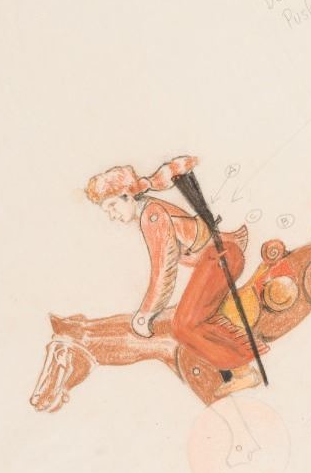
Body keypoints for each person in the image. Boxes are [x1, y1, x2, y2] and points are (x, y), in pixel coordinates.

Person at [85, 156, 262, 393]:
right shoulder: (150, 211)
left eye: (112, 206)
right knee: (186, 322)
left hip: (219, 258)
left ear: (126, 196)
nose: (112, 215)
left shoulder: (152, 215)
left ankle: (243, 372)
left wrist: (145, 314)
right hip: (218, 258)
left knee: (183, 324)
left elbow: (164, 269)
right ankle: (236, 366)